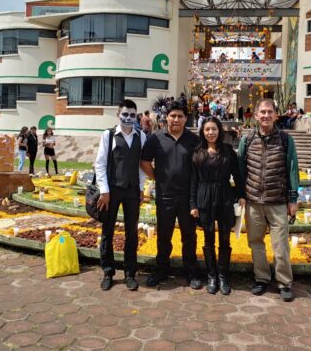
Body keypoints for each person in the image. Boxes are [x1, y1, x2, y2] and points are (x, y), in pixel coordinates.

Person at [237, 98, 300, 302]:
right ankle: (262, 278)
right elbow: (240, 169)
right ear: (255, 115)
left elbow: (292, 169)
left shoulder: (285, 139)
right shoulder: (247, 140)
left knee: (280, 245)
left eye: (269, 112)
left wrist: (293, 199)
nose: (265, 116)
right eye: (262, 112)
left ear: (275, 115)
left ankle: (284, 282)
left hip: (277, 201)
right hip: (253, 200)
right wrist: (241, 195)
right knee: (255, 243)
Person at [141, 101, 202, 289]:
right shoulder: (156, 138)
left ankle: (191, 270)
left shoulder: (194, 140)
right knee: (164, 235)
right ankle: (162, 269)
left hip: (187, 197)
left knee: (189, 236)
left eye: (180, 116)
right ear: (166, 117)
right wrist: (158, 178)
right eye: (173, 116)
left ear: (185, 119)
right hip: (165, 196)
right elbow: (144, 161)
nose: (176, 119)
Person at [95, 99, 147, 291]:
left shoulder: (141, 136)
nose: (128, 118)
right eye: (125, 114)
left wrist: (141, 187)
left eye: (132, 115)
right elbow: (100, 164)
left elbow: (142, 165)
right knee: (107, 231)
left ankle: (130, 273)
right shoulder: (108, 135)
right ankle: (108, 272)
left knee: (131, 232)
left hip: (132, 190)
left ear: (136, 116)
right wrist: (104, 191)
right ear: (118, 115)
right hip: (112, 190)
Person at [190, 116, 245, 295]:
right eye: (207, 129)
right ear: (202, 132)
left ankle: (223, 276)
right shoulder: (197, 152)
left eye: (214, 129)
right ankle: (211, 276)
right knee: (208, 238)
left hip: (224, 196)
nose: (210, 132)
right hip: (204, 196)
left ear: (219, 130)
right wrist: (193, 204)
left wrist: (241, 195)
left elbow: (237, 175)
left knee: (224, 238)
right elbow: (193, 180)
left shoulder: (228, 150)